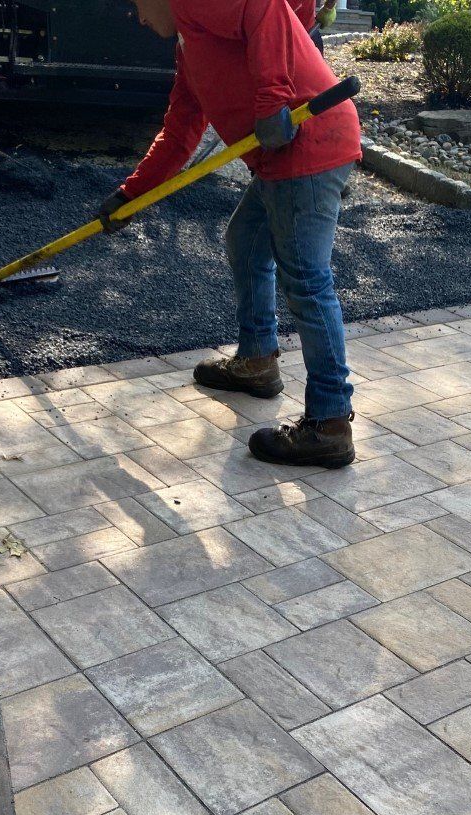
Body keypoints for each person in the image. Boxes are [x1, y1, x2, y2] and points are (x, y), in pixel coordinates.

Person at [100, 0, 361, 468]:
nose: (136, 18)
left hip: (310, 144)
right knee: (246, 242)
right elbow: (180, 132)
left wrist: (272, 101)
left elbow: (268, 6)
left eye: (134, 5)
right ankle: (258, 360)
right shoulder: (189, 48)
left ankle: (330, 423)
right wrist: (131, 195)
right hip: (280, 161)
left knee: (306, 279)